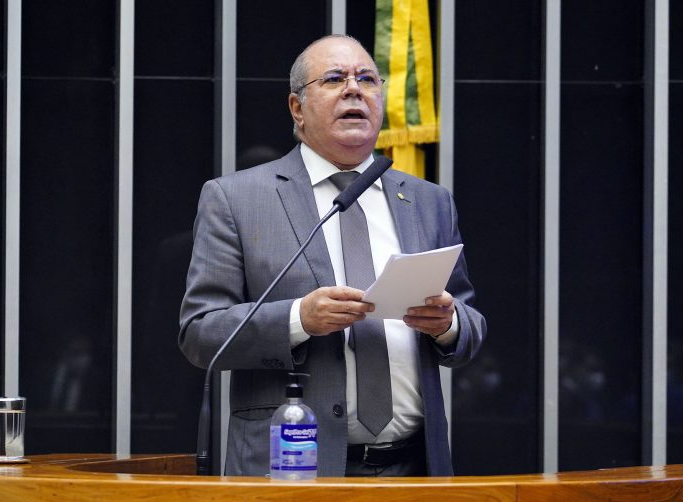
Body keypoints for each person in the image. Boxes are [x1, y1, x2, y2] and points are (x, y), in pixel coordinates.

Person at [179, 34, 486, 477]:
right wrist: (299, 319)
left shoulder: (427, 201)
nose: (354, 89)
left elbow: (470, 325)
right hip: (290, 468)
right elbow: (200, 333)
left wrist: (448, 324)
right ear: (297, 108)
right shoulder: (236, 199)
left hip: (415, 468)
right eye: (335, 79)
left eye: (367, 79)